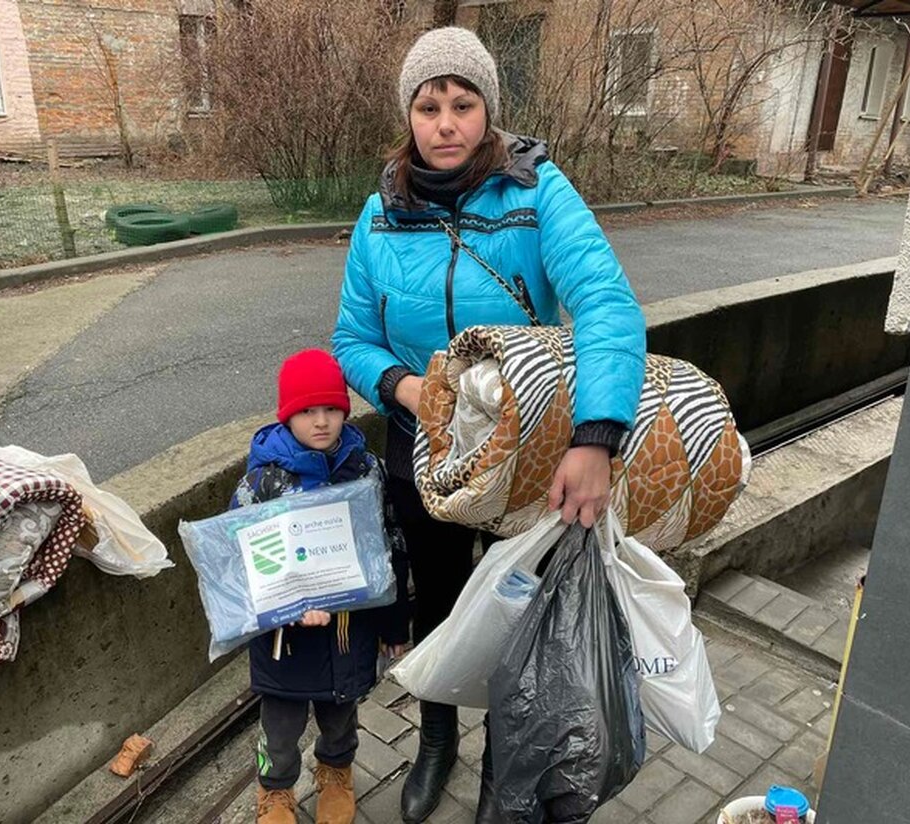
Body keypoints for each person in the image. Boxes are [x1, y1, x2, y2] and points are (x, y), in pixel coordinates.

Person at [331, 26, 646, 824]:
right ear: (408, 116)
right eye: (428, 106)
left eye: (463, 104)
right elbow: (352, 339)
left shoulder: (537, 194)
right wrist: (406, 390)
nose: (445, 123)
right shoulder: (380, 214)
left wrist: (595, 438)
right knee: (437, 602)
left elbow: (606, 305)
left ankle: (510, 770)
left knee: (522, 617)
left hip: (528, 455)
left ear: (488, 110)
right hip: (425, 453)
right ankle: (437, 739)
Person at [229, 348, 409, 824]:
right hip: (284, 640)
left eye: (332, 408)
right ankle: (275, 789)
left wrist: (394, 622)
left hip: (349, 629)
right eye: (308, 410)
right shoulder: (263, 482)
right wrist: (288, 605)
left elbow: (387, 543)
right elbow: (239, 558)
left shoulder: (366, 468)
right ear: (287, 414)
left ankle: (336, 771)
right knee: (280, 725)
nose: (322, 421)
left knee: (340, 715)